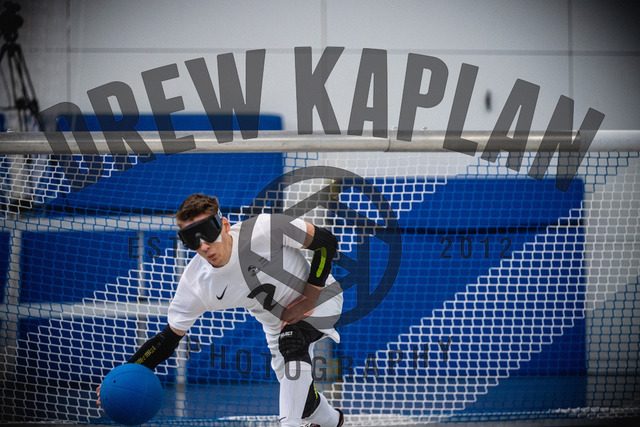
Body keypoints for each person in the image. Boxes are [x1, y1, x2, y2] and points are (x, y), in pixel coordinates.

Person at [97, 193, 344, 427]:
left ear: (224, 225)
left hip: (322, 298)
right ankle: (334, 421)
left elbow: (326, 242)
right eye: (191, 239)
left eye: (207, 232)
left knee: (293, 340)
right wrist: (121, 375)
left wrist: (308, 301)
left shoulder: (264, 230)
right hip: (276, 327)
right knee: (304, 404)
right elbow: (167, 340)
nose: (204, 245)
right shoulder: (197, 284)